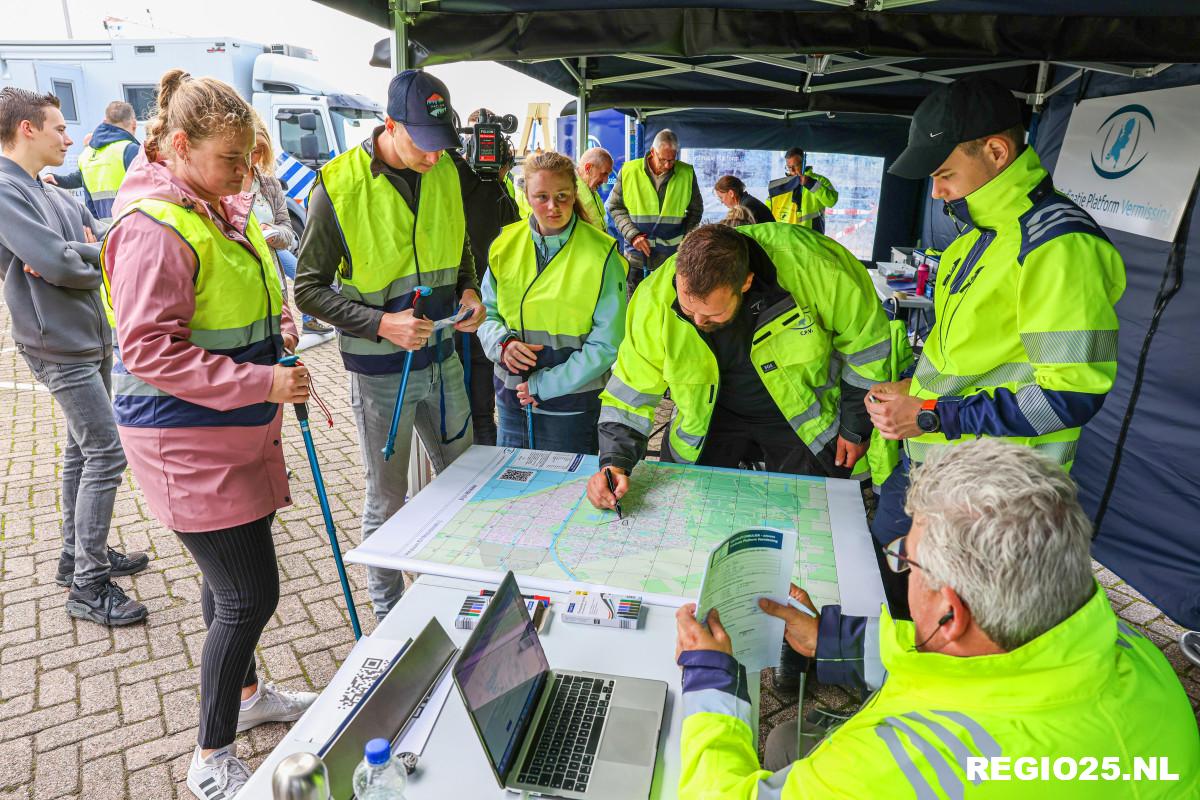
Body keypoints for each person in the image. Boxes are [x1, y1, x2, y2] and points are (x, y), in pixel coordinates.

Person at [674, 439, 1200, 798]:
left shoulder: (900, 765)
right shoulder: (1125, 648)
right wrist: (833, 640)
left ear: (950, 612)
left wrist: (712, 679)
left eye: (906, 558)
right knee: (790, 740)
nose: (900, 563)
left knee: (787, 746)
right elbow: (971, 670)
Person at [102, 69, 318, 796]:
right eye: (232, 161)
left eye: (248, 163)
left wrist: (281, 324)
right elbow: (151, 350)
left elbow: (246, 295)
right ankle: (210, 758)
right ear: (182, 145)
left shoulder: (213, 202)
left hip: (229, 431)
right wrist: (264, 381)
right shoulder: (153, 227)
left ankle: (251, 699)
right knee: (249, 596)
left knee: (226, 584)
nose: (242, 178)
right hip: (187, 441)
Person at [867, 75, 1125, 548]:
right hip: (931, 468)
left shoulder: (1058, 246)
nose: (937, 192)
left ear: (996, 152)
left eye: (944, 174)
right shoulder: (974, 237)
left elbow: (1069, 397)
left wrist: (930, 416)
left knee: (938, 613)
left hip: (990, 498)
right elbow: (970, 361)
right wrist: (915, 389)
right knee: (880, 581)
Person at [295, 69, 484, 622]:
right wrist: (382, 324)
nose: (434, 157)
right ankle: (388, 621)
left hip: (444, 360)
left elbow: (461, 247)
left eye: (441, 143)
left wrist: (470, 288)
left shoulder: (446, 167)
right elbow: (307, 290)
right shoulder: (337, 186)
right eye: (423, 144)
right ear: (390, 125)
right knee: (387, 499)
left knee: (466, 483)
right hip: (380, 376)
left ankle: (460, 600)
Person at [586, 222, 890, 510]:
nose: (697, 322)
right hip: (707, 421)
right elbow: (630, 391)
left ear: (745, 282)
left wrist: (855, 426)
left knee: (810, 521)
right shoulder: (654, 300)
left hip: (801, 416)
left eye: (711, 315)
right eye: (688, 310)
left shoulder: (818, 268)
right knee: (693, 519)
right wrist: (615, 461)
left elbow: (867, 349)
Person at [0, 87, 149, 626]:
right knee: (107, 450)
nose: (70, 136)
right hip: (55, 343)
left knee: (82, 450)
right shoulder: (4, 190)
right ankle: (87, 585)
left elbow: (102, 240)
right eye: (59, 127)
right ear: (27, 130)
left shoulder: (49, 189)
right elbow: (55, 265)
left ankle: (76, 555)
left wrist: (82, 255)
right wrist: (84, 259)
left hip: (88, 333)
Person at [479, 151, 628, 454]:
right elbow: (487, 313)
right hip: (512, 398)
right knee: (512, 490)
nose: (552, 206)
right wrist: (502, 345)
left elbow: (607, 344)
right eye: (541, 197)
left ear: (575, 193)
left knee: (567, 494)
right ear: (527, 195)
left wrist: (544, 385)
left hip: (571, 404)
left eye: (562, 196)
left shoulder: (603, 254)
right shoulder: (504, 245)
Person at [452, 114, 522, 446]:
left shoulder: (480, 187)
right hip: (476, 312)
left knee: (473, 411)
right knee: (479, 412)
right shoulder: (486, 191)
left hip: (479, 313)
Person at [243, 112, 334, 339]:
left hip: (273, 274)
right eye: (249, 151)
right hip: (244, 281)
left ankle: (309, 319)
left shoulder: (270, 185)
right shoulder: (222, 185)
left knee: (302, 274)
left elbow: (288, 231)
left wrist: (273, 234)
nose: (252, 158)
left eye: (259, 152)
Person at [606, 128, 703, 295]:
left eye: (672, 160)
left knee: (666, 303)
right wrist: (632, 234)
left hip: (671, 257)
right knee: (634, 304)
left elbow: (696, 210)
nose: (667, 165)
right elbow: (615, 207)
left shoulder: (686, 173)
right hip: (637, 257)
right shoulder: (629, 171)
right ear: (652, 152)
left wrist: (686, 239)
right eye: (663, 159)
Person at [44, 100, 139, 222]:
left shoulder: (86, 155)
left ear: (105, 122)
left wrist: (56, 179)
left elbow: (82, 186)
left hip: (104, 233)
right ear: (134, 124)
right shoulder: (131, 150)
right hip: (133, 229)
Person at [767, 147, 838, 233]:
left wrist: (811, 184)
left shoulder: (820, 181)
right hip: (788, 237)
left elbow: (831, 201)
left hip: (811, 237)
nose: (792, 170)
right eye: (789, 167)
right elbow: (769, 208)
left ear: (804, 163)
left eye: (795, 166)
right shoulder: (783, 185)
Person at [575, 146, 613, 231]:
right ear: (588, 168)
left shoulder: (590, 189)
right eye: (604, 174)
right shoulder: (571, 193)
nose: (606, 180)